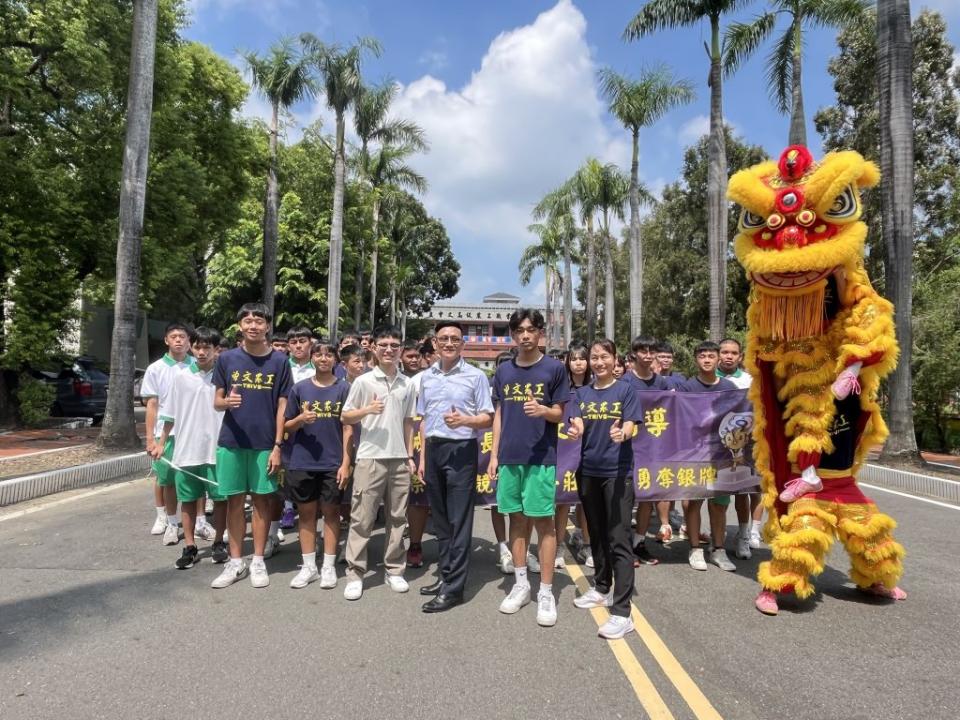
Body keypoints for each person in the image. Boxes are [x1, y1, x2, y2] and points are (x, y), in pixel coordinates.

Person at [489, 308, 569, 627]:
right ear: (512, 335)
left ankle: (546, 592)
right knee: (516, 520)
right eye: (519, 330)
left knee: (543, 523)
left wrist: (543, 410)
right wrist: (494, 455)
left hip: (540, 459)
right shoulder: (504, 372)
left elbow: (561, 414)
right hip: (509, 458)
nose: (525, 335)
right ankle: (521, 585)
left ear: (540, 334)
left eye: (530, 329)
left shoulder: (554, 369)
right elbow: (498, 416)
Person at [209, 303, 292, 589]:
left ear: (268, 326)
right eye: (247, 320)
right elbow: (217, 401)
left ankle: (257, 560)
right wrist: (226, 403)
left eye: (259, 321)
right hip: (231, 442)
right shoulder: (227, 359)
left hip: (264, 444)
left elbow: (283, 406)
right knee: (234, 501)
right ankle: (235, 561)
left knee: (261, 501)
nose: (253, 325)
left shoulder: (280, 362)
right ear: (239, 327)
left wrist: (278, 445)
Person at [416, 320, 494, 612]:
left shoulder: (475, 377)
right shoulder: (427, 377)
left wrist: (465, 421)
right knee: (441, 520)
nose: (449, 343)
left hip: (461, 449)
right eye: (443, 338)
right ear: (435, 344)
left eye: (455, 339)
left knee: (459, 521)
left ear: (463, 344)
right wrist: (423, 458)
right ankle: (445, 574)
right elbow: (422, 419)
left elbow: (487, 417)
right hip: (434, 449)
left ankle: (455, 589)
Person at [565, 339, 641, 639]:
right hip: (588, 472)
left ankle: (622, 612)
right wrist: (575, 429)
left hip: (617, 473)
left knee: (618, 538)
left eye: (604, 357)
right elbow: (578, 422)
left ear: (615, 360)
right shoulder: (581, 393)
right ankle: (601, 587)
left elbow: (632, 424)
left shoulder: (625, 390)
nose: (598, 362)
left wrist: (623, 432)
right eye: (594, 357)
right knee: (595, 533)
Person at [340, 326, 418, 601]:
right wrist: (368, 410)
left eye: (394, 345)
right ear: (373, 347)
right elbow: (346, 417)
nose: (389, 349)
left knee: (398, 517)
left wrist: (409, 455)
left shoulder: (408, 384)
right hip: (370, 457)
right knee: (362, 518)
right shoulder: (363, 382)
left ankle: (394, 570)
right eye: (383, 344)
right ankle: (355, 573)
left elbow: (410, 422)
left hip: (398, 458)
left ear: (400, 349)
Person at [283, 340, 353, 589]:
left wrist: (346, 463)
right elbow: (286, 426)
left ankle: (328, 566)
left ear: (336, 360)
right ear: (312, 358)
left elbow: (348, 429)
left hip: (333, 462)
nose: (323, 359)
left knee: (332, 513)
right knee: (306, 514)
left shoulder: (344, 389)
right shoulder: (299, 389)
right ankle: (309, 566)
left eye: (328, 355)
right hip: (302, 461)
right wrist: (301, 418)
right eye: (319, 354)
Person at [156, 327, 228, 569]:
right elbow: (168, 414)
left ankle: (219, 542)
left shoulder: (225, 376)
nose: (201, 351)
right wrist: (160, 442)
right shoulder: (181, 377)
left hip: (218, 449)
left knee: (220, 499)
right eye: (197, 346)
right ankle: (190, 546)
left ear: (216, 349)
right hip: (186, 449)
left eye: (207, 347)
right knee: (188, 499)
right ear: (191, 347)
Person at [677, 341, 738, 572]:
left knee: (719, 504)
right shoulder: (686, 388)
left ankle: (719, 549)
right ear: (696, 360)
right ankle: (695, 549)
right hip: (694, 455)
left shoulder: (730, 386)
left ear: (718, 359)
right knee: (694, 502)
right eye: (702, 356)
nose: (707, 360)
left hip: (723, 454)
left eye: (711, 356)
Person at [143, 322, 196, 543]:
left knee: (194, 478)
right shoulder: (156, 369)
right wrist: (150, 439)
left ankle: (200, 521)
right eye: (173, 336)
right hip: (165, 434)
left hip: (192, 431)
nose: (178, 340)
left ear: (189, 341)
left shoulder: (197, 365)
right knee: (167, 480)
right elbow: (152, 405)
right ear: (166, 340)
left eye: (182, 336)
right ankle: (168, 520)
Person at [624, 336, 670, 564]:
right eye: (643, 350)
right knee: (625, 500)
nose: (648, 355)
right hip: (628, 450)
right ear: (634, 354)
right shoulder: (624, 382)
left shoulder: (662, 383)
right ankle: (623, 548)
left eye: (652, 351)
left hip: (654, 451)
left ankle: (639, 543)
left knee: (647, 500)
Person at [717, 337, 761, 559]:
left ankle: (744, 535)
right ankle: (718, 537)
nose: (728, 356)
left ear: (740, 357)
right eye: (724, 352)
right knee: (717, 493)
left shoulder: (749, 380)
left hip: (745, 444)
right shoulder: (709, 378)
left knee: (743, 492)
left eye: (733, 353)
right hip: (715, 446)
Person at [561, 343, 594, 570]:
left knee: (587, 500)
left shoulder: (596, 388)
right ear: (568, 363)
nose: (579, 363)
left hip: (590, 449)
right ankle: (559, 545)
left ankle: (587, 544)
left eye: (583, 358)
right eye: (574, 359)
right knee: (562, 500)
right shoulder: (560, 388)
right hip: (563, 450)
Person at [401, 338, 429, 569]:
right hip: (406, 440)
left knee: (429, 497)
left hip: (435, 441)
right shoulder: (403, 381)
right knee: (413, 498)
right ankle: (414, 543)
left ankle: (450, 547)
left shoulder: (430, 377)